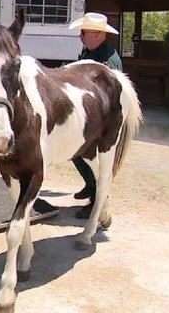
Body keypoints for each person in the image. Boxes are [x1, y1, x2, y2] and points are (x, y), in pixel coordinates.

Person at [68, 12, 123, 219]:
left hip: (102, 123)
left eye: (83, 33)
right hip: (89, 118)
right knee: (77, 153)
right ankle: (91, 186)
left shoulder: (108, 61)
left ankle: (96, 200)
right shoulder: (90, 52)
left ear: (97, 34)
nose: (80, 36)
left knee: (95, 159)